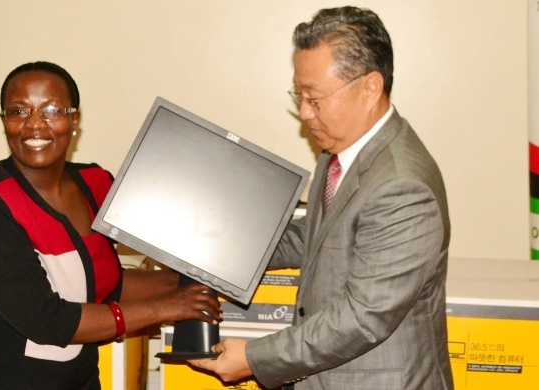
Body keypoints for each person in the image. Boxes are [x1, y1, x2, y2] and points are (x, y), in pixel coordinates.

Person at [190, 6, 453, 390]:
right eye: (299, 96)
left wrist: (253, 359)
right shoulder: (338, 151)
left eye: (314, 99)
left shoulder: (402, 187)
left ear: (370, 88)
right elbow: (313, 237)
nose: (303, 113)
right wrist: (220, 244)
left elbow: (362, 317)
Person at [0, 61, 222, 389]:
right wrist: (166, 307)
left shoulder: (97, 183)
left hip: (79, 379)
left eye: (51, 109)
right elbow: (47, 319)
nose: (35, 125)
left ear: (74, 119)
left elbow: (103, 281)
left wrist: (185, 280)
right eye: (19, 111)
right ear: (5, 121)